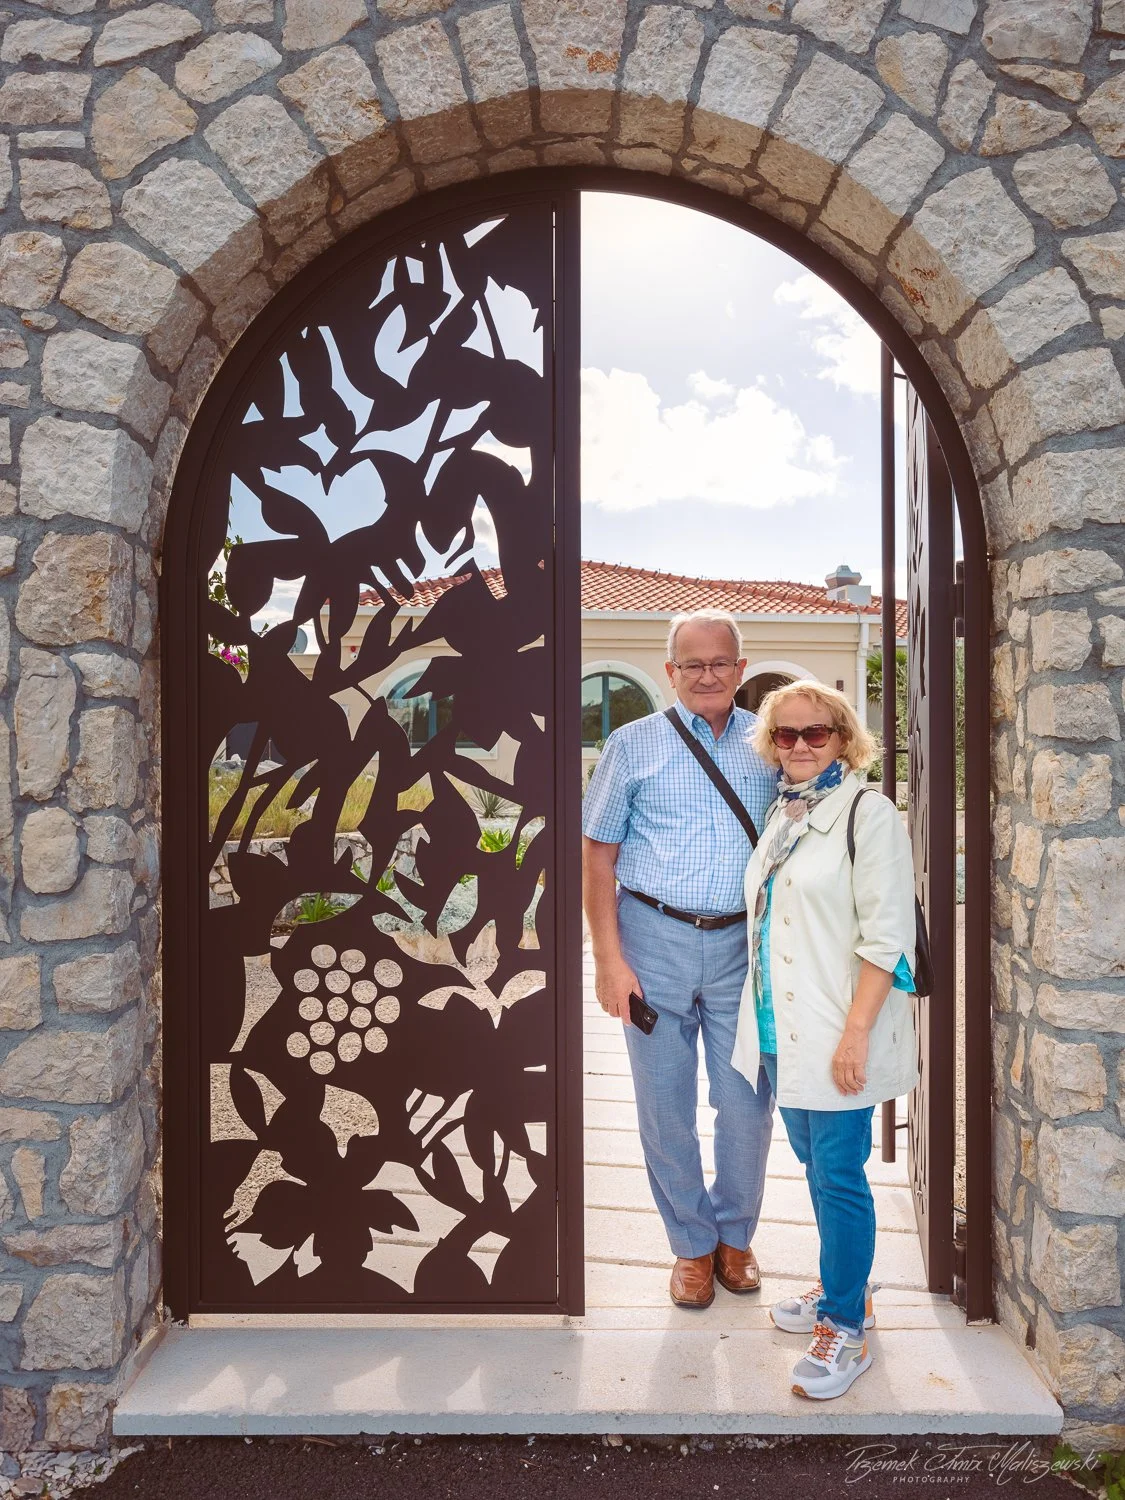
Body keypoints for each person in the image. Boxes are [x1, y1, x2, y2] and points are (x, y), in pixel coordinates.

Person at [582, 609, 777, 1308]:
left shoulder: (770, 746)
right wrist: (609, 961)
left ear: (739, 669)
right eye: (690, 664)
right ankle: (691, 1247)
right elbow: (597, 858)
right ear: (670, 672)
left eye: (718, 662)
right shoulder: (632, 745)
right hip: (652, 940)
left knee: (747, 1104)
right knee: (663, 1106)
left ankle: (735, 1236)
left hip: (742, 949)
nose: (705, 675)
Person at [731, 678, 917, 1398]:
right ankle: (845, 1285)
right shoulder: (783, 812)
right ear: (771, 745)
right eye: (786, 735)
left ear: (843, 738)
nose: (801, 746)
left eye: (816, 734)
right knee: (817, 1168)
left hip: (841, 1028)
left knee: (838, 1176)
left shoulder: (868, 815)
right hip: (783, 1029)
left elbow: (884, 938)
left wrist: (855, 1035)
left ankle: (845, 1327)